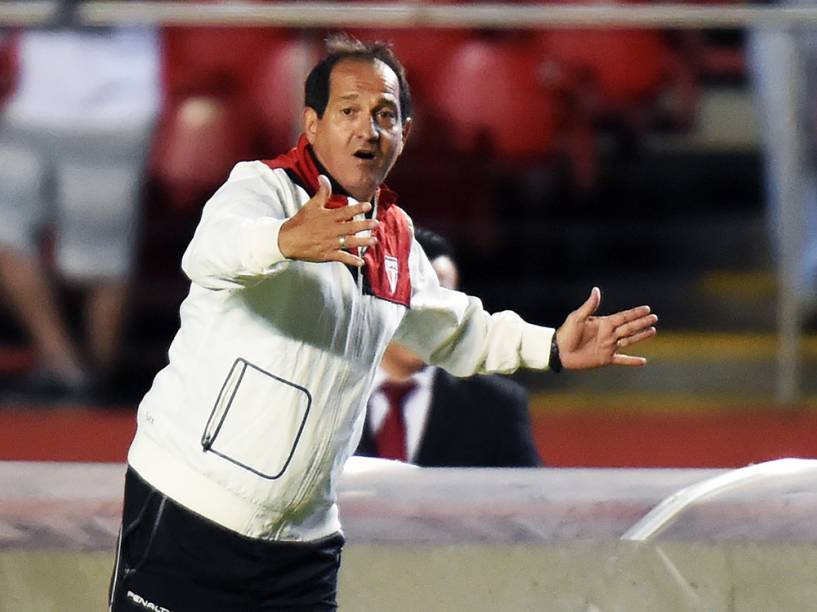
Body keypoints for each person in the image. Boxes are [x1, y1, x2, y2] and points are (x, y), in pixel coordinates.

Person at [109, 34, 658, 612]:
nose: (366, 130)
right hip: (191, 510)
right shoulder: (262, 189)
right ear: (312, 123)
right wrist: (283, 240)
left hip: (303, 542)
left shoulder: (395, 236)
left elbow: (455, 329)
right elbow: (209, 251)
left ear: (404, 134)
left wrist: (551, 345)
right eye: (348, 111)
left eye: (384, 115)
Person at [0, 14, 161, 402]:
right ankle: (65, 365)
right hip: (30, 103)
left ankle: (93, 390)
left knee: (101, 261)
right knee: (4, 232)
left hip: (115, 109)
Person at [356, 227, 541, 467]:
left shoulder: (496, 406)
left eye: (444, 300)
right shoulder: (323, 394)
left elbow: (526, 498)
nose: (430, 316)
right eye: (415, 296)